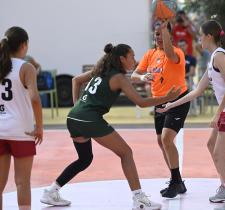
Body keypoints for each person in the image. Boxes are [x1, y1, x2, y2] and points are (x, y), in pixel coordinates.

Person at [40, 43, 181, 209]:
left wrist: (77, 106)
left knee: (85, 159)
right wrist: (167, 97)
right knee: (126, 153)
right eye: (132, 57)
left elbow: (76, 80)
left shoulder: (100, 71)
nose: (135, 61)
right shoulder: (119, 78)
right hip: (89, 119)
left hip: (73, 117)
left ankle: (51, 191)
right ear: (122, 58)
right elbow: (141, 102)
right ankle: (139, 199)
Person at [157, 20, 225, 210]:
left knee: (219, 154)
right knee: (211, 145)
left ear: (209, 36)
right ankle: (224, 188)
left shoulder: (220, 56)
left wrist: (217, 114)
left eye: (200, 35)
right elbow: (196, 91)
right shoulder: (214, 57)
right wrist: (171, 104)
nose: (198, 39)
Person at [131, 21, 190, 198]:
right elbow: (134, 76)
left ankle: (175, 181)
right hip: (159, 102)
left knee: (166, 138)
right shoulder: (150, 54)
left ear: (169, 35)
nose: (157, 36)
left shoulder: (176, 52)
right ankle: (177, 180)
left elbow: (170, 53)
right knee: (161, 141)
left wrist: (164, 27)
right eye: (155, 34)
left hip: (178, 100)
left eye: (161, 33)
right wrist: (142, 76)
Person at [0, 26, 43, 210]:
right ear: (24, 45)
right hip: (21, 131)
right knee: (22, 183)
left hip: (0, 130)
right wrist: (39, 127)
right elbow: (34, 98)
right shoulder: (26, 67)